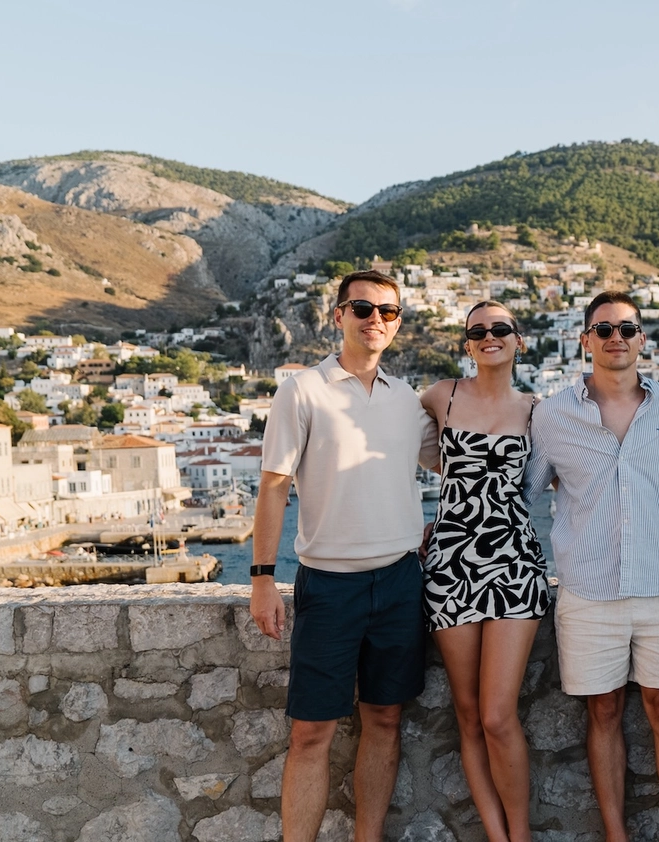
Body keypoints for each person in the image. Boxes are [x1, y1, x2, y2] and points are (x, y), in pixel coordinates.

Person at [249, 270, 439, 842]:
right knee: (311, 732)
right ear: (338, 317)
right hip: (329, 585)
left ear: (399, 322)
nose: (375, 319)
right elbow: (274, 486)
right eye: (362, 308)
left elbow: (457, 464)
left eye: (388, 311)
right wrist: (262, 579)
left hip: (402, 581)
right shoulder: (302, 389)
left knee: (385, 719)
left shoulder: (407, 399)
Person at [523, 291, 659, 842]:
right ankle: (615, 836)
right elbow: (526, 490)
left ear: (642, 339)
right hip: (587, 590)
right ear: (585, 340)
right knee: (601, 714)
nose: (616, 338)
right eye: (603, 329)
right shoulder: (553, 415)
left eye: (627, 328)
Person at [419, 300, 547, 842]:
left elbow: (576, 476)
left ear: (518, 340)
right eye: (478, 331)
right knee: (468, 715)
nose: (489, 336)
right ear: (467, 344)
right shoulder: (439, 396)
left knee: (498, 715)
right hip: (450, 564)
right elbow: (385, 442)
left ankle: (520, 835)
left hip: (514, 564)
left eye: (500, 329)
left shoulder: (538, 410)